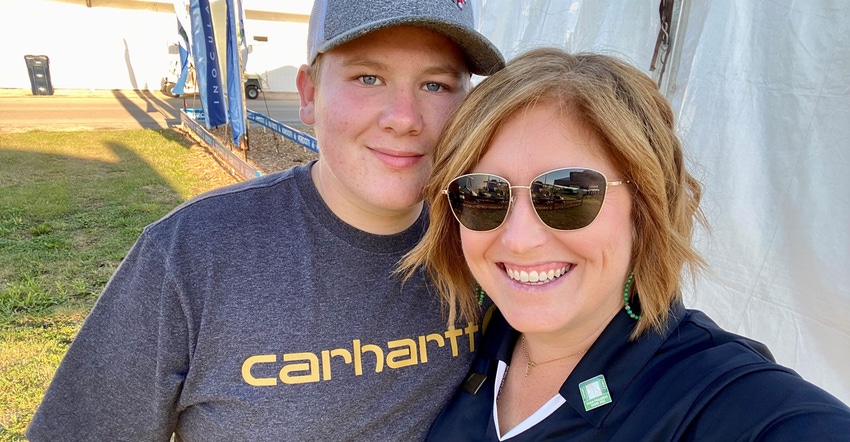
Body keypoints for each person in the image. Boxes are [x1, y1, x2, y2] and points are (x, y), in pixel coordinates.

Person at [26, 1, 504, 440]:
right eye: (368, 78)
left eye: (436, 85)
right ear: (309, 94)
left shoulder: (488, 240)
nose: (404, 118)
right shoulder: (193, 252)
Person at [400, 47, 850, 440]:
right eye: (484, 195)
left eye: (566, 193)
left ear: (646, 209)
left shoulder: (721, 396)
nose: (518, 239)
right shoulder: (466, 343)